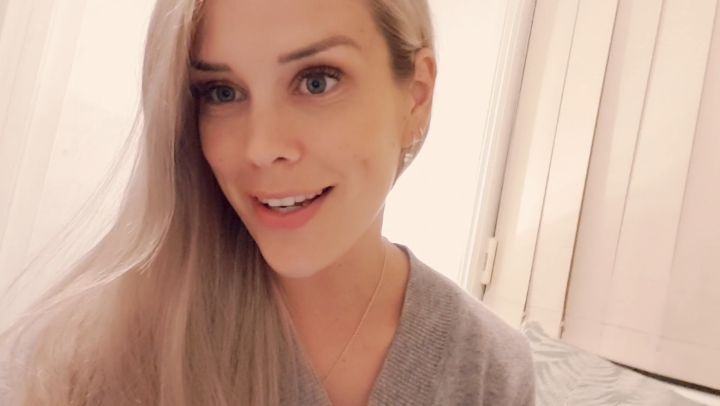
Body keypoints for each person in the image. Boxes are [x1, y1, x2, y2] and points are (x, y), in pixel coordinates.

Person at [0, 0, 536, 404]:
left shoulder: (489, 367)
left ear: (416, 96)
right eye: (222, 92)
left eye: (317, 81)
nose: (261, 147)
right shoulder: (82, 362)